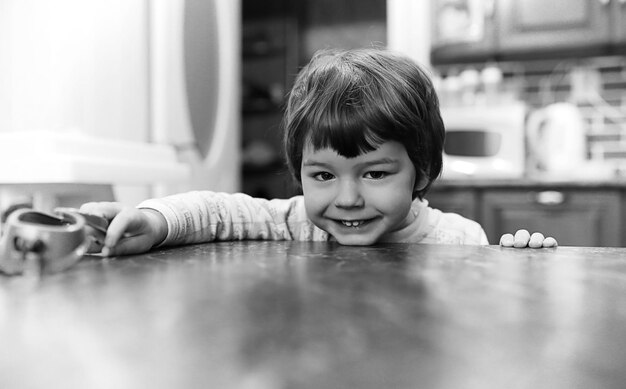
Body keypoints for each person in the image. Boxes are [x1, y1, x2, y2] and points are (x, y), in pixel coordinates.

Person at [80, 48, 557, 257]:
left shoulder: (459, 241)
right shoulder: (299, 222)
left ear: (422, 169)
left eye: (374, 173)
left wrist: (523, 259)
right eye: (323, 176)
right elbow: (216, 211)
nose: (346, 199)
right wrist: (153, 220)